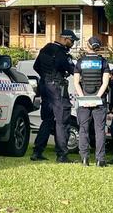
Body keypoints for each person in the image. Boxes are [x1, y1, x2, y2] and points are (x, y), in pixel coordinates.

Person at [30, 29, 78, 163]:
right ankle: (62, 155)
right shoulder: (62, 53)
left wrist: (46, 76)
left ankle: (37, 151)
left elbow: (36, 66)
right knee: (62, 120)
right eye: (71, 41)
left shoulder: (46, 49)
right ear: (64, 39)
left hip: (45, 86)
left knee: (47, 120)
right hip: (57, 88)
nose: (73, 44)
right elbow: (72, 70)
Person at [73, 37, 110, 167]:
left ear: (87, 46)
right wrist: (97, 98)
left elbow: (76, 82)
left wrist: (83, 98)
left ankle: (84, 158)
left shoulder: (80, 61)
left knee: (83, 130)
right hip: (99, 101)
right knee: (99, 130)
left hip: (84, 100)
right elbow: (105, 83)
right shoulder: (103, 62)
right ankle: (100, 160)